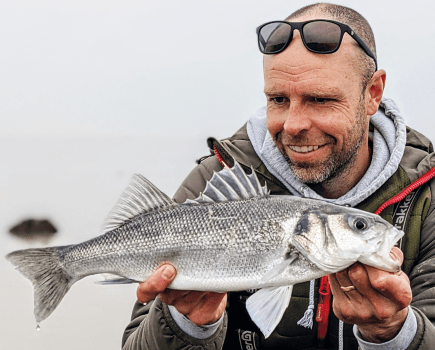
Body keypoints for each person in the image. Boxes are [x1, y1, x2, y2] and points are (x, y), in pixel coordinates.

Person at [122, 3, 435, 349]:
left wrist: (394, 333)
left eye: (320, 99)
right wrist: (186, 323)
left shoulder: (428, 196)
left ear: (372, 93)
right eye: (278, 99)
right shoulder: (216, 180)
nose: (293, 124)